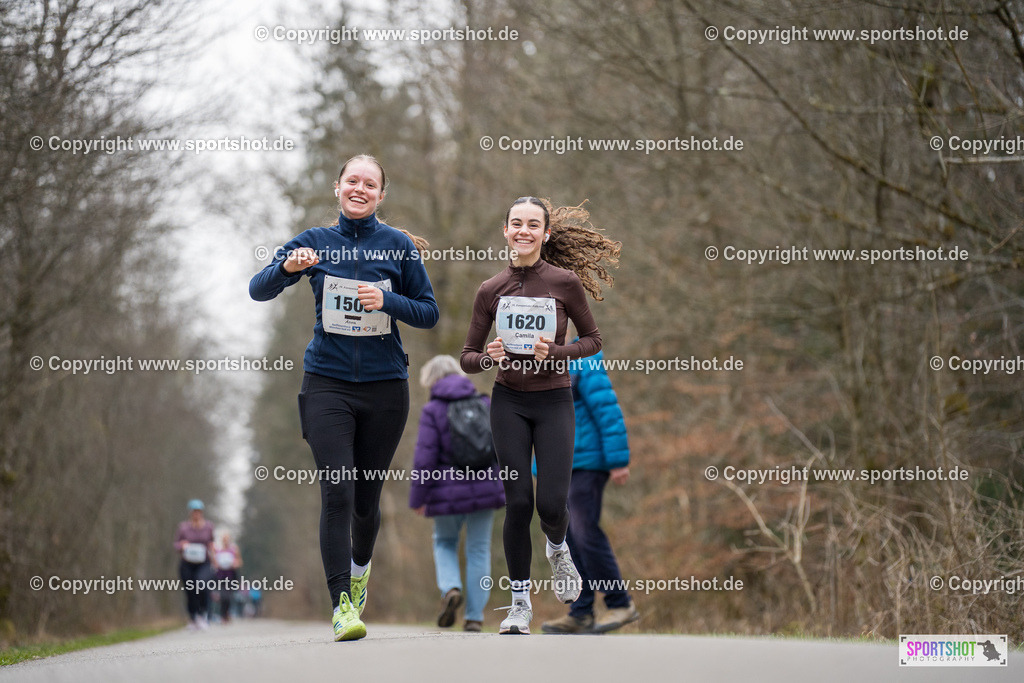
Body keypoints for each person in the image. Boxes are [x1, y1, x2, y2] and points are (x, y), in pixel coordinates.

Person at [249, 154, 439, 641]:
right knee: (338, 488)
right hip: (327, 384)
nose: (359, 188)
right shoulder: (314, 240)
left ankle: (359, 572)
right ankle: (341, 606)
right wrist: (287, 267)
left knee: (365, 502)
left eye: (369, 183)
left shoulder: (397, 246)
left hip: (385, 389)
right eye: (352, 180)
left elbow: (429, 312)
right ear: (337, 188)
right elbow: (257, 290)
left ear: (381, 195)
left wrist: (387, 300)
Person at [461, 196, 620, 634]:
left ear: (545, 234)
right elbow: (467, 357)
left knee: (551, 504)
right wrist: (488, 356)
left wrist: (558, 352)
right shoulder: (490, 289)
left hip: (553, 401)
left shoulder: (564, 282)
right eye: (517, 223)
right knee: (518, 503)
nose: (524, 231)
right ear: (505, 231)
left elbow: (594, 339)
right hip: (508, 402)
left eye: (533, 224)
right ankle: (519, 605)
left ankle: (557, 547)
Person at [541, 349, 639, 633]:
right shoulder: (538, 365)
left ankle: (620, 603)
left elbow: (607, 410)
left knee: (585, 531)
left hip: (588, 461)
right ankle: (581, 611)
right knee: (567, 537)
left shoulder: (583, 362)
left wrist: (618, 460)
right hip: (559, 465)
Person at [409, 355, 506, 632]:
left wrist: (418, 498)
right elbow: (501, 448)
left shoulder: (433, 410)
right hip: (485, 488)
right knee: (479, 549)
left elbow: (425, 459)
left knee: (444, 542)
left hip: (446, 492)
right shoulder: (485, 402)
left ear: (431, 380)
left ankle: (451, 588)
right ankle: (474, 617)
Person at [174, 499, 215, 631]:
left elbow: (211, 543)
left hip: (203, 563)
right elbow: (176, 544)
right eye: (194, 511)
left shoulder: (209, 526)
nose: (196, 514)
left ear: (201, 512)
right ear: (190, 513)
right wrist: (182, 545)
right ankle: (193, 618)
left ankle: (203, 615)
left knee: (201, 584)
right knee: (190, 590)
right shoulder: (183, 527)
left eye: (198, 511)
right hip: (187, 563)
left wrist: (215, 558)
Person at [212, 531, 243, 623]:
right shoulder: (217, 550)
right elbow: (213, 562)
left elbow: (239, 562)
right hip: (220, 576)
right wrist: (216, 564)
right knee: (223, 596)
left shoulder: (234, 549)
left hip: (231, 575)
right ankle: (223, 615)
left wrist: (235, 564)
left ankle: (226, 613)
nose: (225, 541)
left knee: (229, 596)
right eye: (224, 539)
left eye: (227, 539)